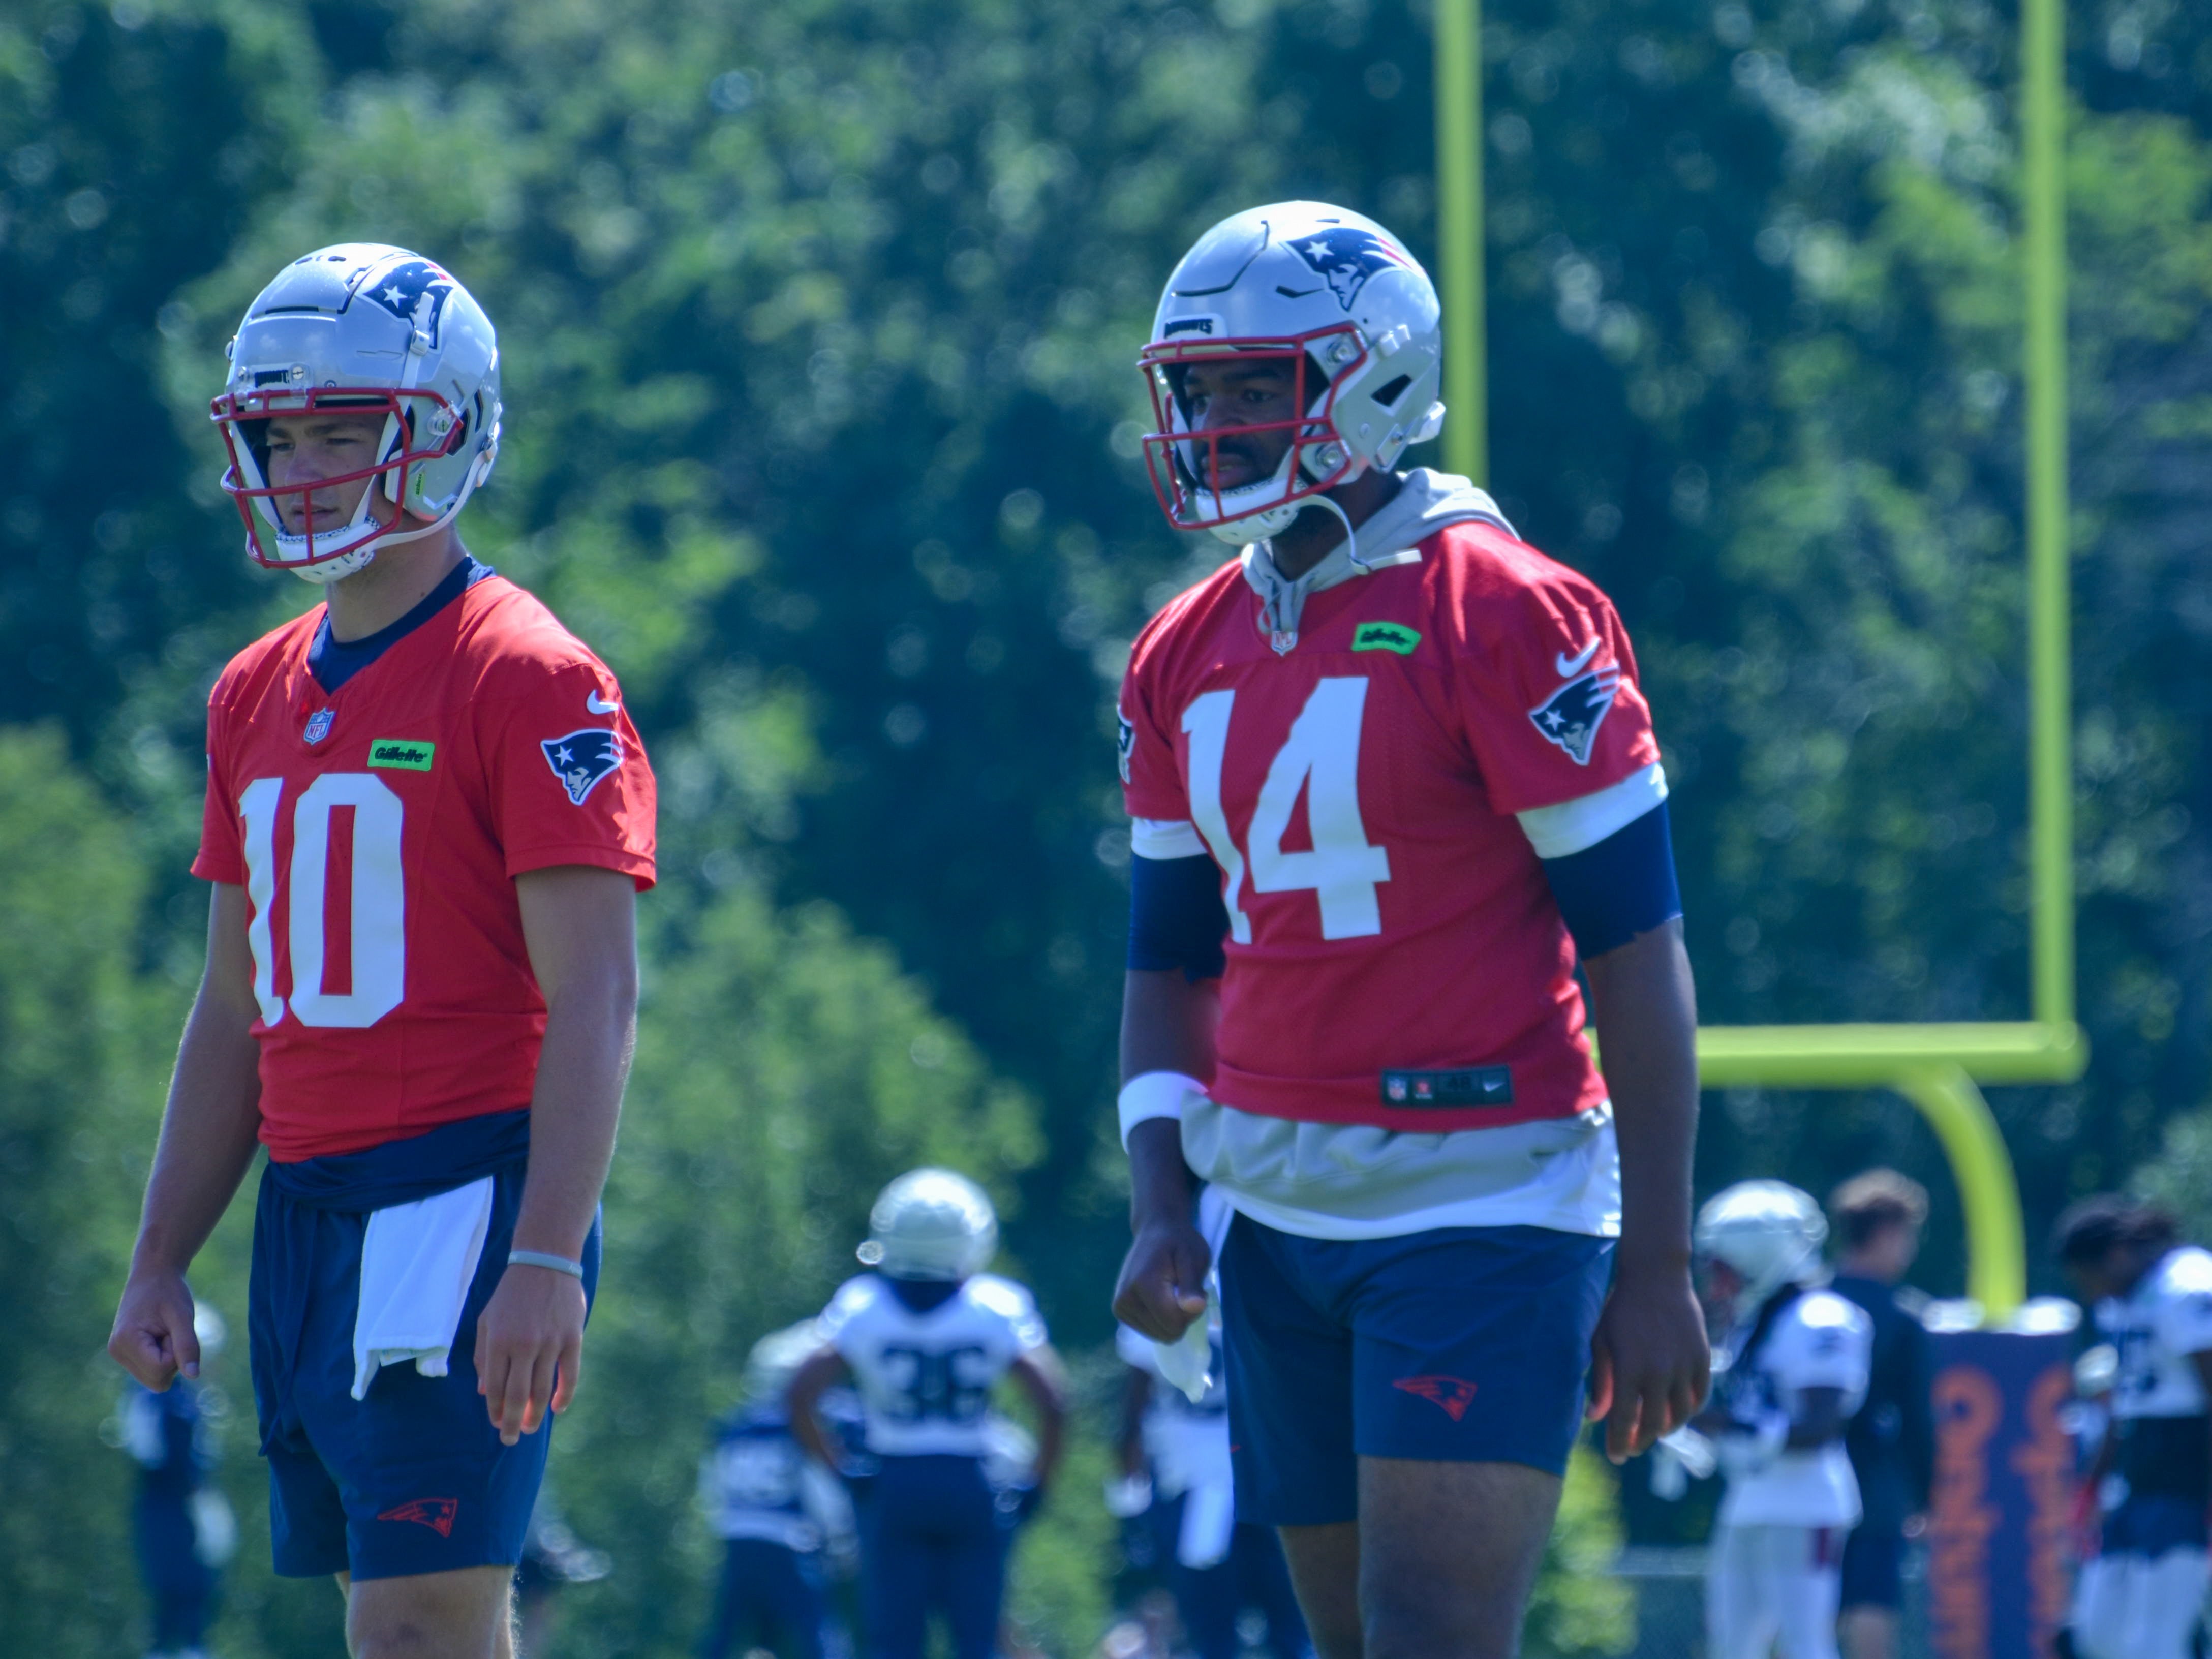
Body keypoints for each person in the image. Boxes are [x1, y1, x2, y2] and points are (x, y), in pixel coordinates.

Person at [1108, 200, 1708, 1659]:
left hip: (1483, 1197)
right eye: (1202, 388)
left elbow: (1637, 948)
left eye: (1261, 384)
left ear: (1374, 376)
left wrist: (1657, 1259)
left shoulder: (1506, 609)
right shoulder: (1184, 646)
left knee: (1431, 1633)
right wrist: (1161, 1199)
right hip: (1277, 1206)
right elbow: (1171, 960)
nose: (1221, 422)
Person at [105, 243, 656, 1659]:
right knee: (391, 1630)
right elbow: (236, 1004)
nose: (303, 464)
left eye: (345, 428)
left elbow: (595, 993)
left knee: (423, 1628)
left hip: (462, 1195)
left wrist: (547, 1256)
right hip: (306, 1206)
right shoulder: (251, 691)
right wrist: (162, 1250)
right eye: (280, 434)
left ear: (449, 426)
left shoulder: (527, 672)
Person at [787, 1169, 1068, 1659]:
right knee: (977, 1641)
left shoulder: (864, 1304)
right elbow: (1053, 1402)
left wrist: (843, 1472)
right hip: (969, 1483)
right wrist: (1037, 1483)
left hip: (896, 1483)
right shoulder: (994, 1305)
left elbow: (799, 1392)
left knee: (893, 1644)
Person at [1694, 1181, 1873, 1659]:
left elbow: (1822, 1425)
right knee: (1731, 1646)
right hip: (1749, 1499)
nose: (1717, 1285)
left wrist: (1729, 1426)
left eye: (1725, 1269)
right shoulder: (1756, 1320)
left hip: (1805, 1502)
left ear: (1759, 1258)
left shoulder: (1822, 1318)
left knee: (1804, 1644)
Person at [2054, 1194, 2212, 1659]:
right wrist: (2091, 1487)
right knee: (2095, 1635)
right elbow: (2123, 1409)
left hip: (2185, 1475)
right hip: (2137, 1478)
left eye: (2089, 1276)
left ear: (2118, 1254)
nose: (2090, 1291)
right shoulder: (2128, 1300)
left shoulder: (2186, 1285)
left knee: (2156, 1641)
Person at [1114, 1313, 1312, 1659]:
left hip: (1197, 1489)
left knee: (1214, 1634)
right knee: (1293, 1628)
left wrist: (1130, 1502)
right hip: (1268, 1479)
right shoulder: (1270, 1273)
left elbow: (1134, 1414)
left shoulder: (1162, 1282)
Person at [1824, 1170, 1934, 1659]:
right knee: (1872, 1602)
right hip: (1875, 1486)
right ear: (1890, 1232)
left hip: (1804, 1477)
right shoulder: (1903, 1315)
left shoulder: (1806, 1298)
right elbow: (1916, 1415)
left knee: (1803, 1606)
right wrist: (1926, 1495)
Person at [699, 1323, 859, 1659]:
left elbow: (714, 1487)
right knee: (817, 1634)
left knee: (726, 1636)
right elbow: (822, 1491)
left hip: (739, 1540)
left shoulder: (737, 1427)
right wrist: (842, 1541)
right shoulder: (800, 1428)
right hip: (790, 1543)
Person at [118, 1305, 236, 1659]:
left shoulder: (170, 1399)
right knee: (180, 1592)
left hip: (173, 1503)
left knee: (185, 1595)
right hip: (171, 1504)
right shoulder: (165, 1400)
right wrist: (198, 1498)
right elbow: (158, 1454)